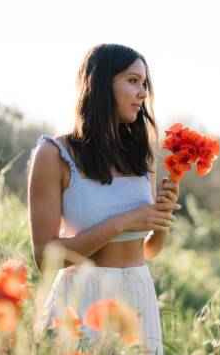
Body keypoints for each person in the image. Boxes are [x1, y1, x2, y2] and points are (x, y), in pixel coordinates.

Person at [28, 43, 180, 354]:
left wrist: (160, 219)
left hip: (139, 295)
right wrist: (122, 222)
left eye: (145, 84)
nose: (142, 93)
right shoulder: (54, 154)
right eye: (133, 81)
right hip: (82, 298)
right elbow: (45, 258)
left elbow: (149, 250)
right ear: (100, 84)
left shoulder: (143, 154)